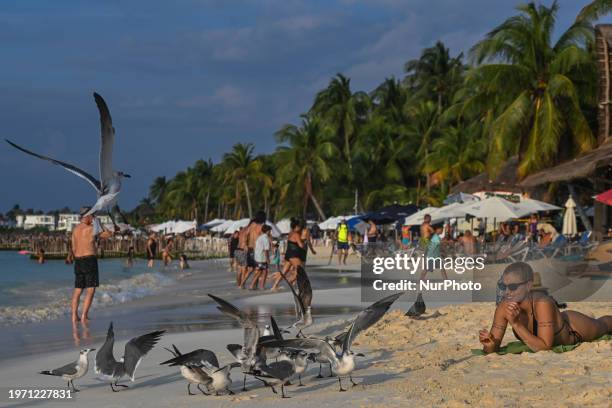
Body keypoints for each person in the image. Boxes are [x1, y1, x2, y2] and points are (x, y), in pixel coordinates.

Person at [480, 262, 612, 354]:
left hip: (574, 329)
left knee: (603, 325)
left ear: (528, 285)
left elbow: (545, 346)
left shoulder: (542, 303)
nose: (507, 292)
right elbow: (492, 349)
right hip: (555, 322)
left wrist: (516, 324)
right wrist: (490, 345)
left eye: (513, 287)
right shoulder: (504, 307)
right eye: (503, 287)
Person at [71, 206, 113, 324]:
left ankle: (74, 316)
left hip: (78, 261)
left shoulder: (75, 229)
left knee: (78, 290)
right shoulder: (91, 228)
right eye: (92, 215)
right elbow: (108, 234)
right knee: (90, 290)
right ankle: (84, 315)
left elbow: (73, 248)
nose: (93, 217)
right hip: (89, 260)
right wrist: (98, 222)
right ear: (88, 216)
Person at [270, 218, 304, 291]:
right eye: (300, 226)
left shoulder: (290, 233)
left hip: (288, 254)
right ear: (297, 226)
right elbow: (301, 245)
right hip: (294, 255)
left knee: (284, 272)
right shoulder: (296, 234)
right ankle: (291, 281)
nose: (300, 228)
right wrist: (303, 241)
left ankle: (274, 286)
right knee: (301, 270)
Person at [241, 211, 266, 288]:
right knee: (259, 268)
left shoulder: (251, 225)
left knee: (252, 268)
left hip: (250, 249)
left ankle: (243, 283)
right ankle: (254, 285)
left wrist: (245, 244)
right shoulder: (262, 227)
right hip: (257, 250)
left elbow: (245, 234)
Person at [250, 224, 272, 290]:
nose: (270, 232)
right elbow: (266, 250)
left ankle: (252, 285)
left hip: (257, 257)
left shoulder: (259, 237)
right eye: (270, 231)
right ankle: (261, 286)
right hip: (262, 258)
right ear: (267, 231)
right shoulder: (265, 238)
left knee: (259, 272)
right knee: (265, 271)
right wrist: (268, 259)